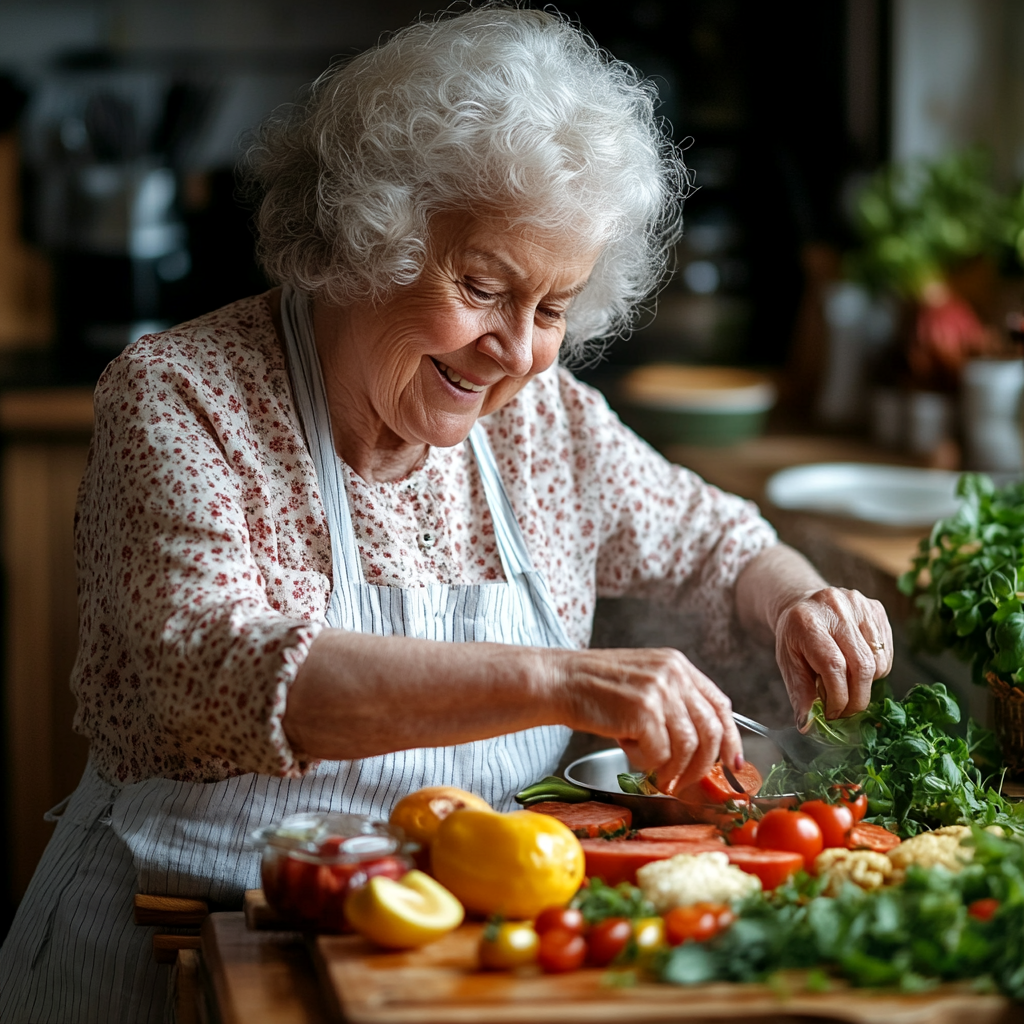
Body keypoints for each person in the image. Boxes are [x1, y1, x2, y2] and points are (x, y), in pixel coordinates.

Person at [0, 7, 893, 1021]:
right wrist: (568, 684)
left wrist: (800, 600)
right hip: (175, 955)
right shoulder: (180, 396)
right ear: (364, 238)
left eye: (552, 307)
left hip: (435, 969)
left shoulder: (545, 421)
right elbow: (222, 672)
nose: (514, 350)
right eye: (481, 286)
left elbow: (715, 540)